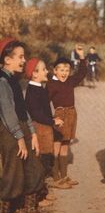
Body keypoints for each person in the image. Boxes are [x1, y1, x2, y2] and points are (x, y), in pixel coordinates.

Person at [0, 38, 50, 213]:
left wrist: (33, 134)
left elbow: (23, 110)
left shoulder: (14, 80)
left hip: (21, 128)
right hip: (9, 130)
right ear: (7, 59)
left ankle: (30, 210)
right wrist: (19, 138)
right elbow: (7, 112)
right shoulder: (2, 81)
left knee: (34, 167)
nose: (23, 60)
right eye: (20, 57)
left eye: (24, 57)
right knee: (13, 170)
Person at [24, 58, 69, 196]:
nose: (47, 71)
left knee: (46, 158)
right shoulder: (32, 91)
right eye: (44, 69)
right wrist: (52, 121)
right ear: (34, 74)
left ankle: (43, 190)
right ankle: (38, 195)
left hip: (45, 127)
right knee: (40, 161)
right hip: (40, 128)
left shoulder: (40, 88)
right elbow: (36, 113)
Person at [46, 48, 86, 187]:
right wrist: (52, 119)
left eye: (67, 70)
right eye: (61, 70)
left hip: (71, 114)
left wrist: (82, 57)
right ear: (55, 71)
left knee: (65, 146)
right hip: (60, 116)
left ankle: (64, 176)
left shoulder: (70, 81)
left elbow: (82, 73)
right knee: (56, 146)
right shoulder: (51, 84)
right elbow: (44, 103)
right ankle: (56, 178)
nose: (64, 73)